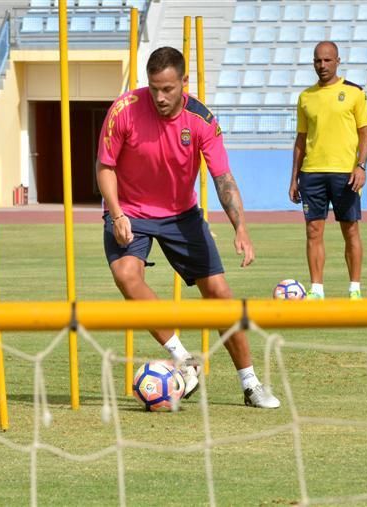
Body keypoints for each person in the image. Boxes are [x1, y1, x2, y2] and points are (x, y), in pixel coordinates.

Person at [96, 46, 280, 409]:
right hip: (130, 211)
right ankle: (183, 359)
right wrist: (117, 214)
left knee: (220, 295)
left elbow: (222, 178)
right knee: (126, 276)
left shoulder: (202, 120)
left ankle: (251, 383)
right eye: (154, 88)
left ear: (184, 82)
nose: (160, 97)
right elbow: (105, 167)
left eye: (168, 88)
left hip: (181, 214)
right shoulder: (124, 110)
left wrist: (240, 228)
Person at [289, 41, 367, 300]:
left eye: (327, 60)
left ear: (337, 61)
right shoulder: (305, 97)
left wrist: (361, 166)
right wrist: (294, 178)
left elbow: (365, 134)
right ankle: (316, 290)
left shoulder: (354, 93)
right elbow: (301, 140)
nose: (322, 65)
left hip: (345, 173)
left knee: (350, 230)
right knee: (313, 231)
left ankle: (354, 288)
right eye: (317, 61)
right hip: (311, 173)